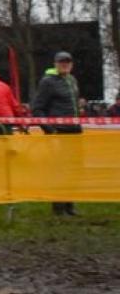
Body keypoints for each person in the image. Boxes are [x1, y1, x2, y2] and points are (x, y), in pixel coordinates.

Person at [31, 51, 83, 217]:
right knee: (60, 170)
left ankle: (70, 205)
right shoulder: (48, 82)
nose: (65, 64)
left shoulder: (72, 80)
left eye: (68, 61)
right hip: (58, 133)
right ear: (55, 63)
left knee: (74, 169)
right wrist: (50, 131)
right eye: (61, 62)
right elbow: (37, 109)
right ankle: (58, 208)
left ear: (72, 64)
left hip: (75, 131)